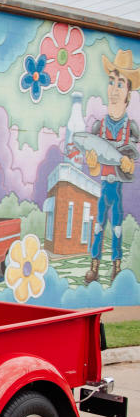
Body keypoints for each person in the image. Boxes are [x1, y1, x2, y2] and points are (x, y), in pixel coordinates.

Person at [84, 49, 139, 283]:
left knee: (116, 227)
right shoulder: (99, 127)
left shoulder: (132, 129)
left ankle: (116, 266)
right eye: (111, 82)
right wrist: (93, 164)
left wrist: (128, 164)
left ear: (128, 92)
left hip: (116, 188)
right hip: (103, 188)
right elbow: (95, 171)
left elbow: (131, 168)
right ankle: (94, 266)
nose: (114, 89)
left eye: (120, 84)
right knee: (98, 225)